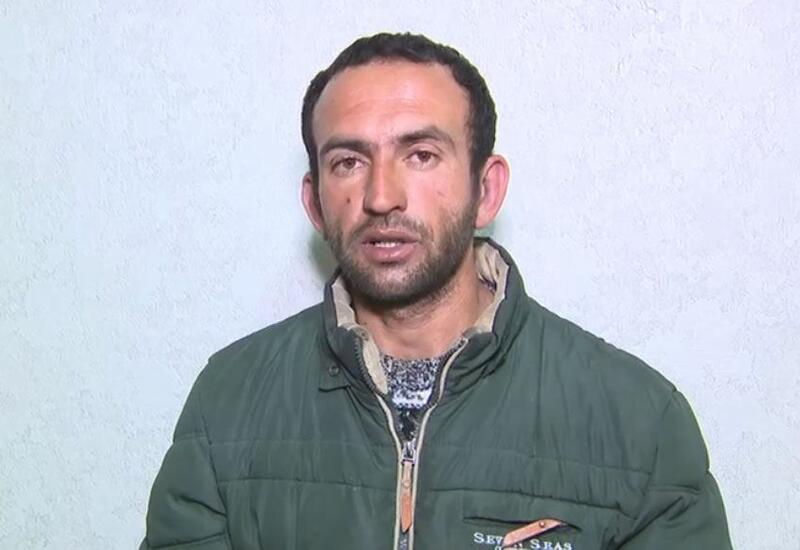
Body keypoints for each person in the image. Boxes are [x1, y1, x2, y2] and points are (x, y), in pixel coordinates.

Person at [140, 32, 732, 550]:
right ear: (315, 203)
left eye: (421, 155)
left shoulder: (639, 424)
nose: (381, 196)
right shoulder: (227, 404)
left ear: (486, 191)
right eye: (348, 162)